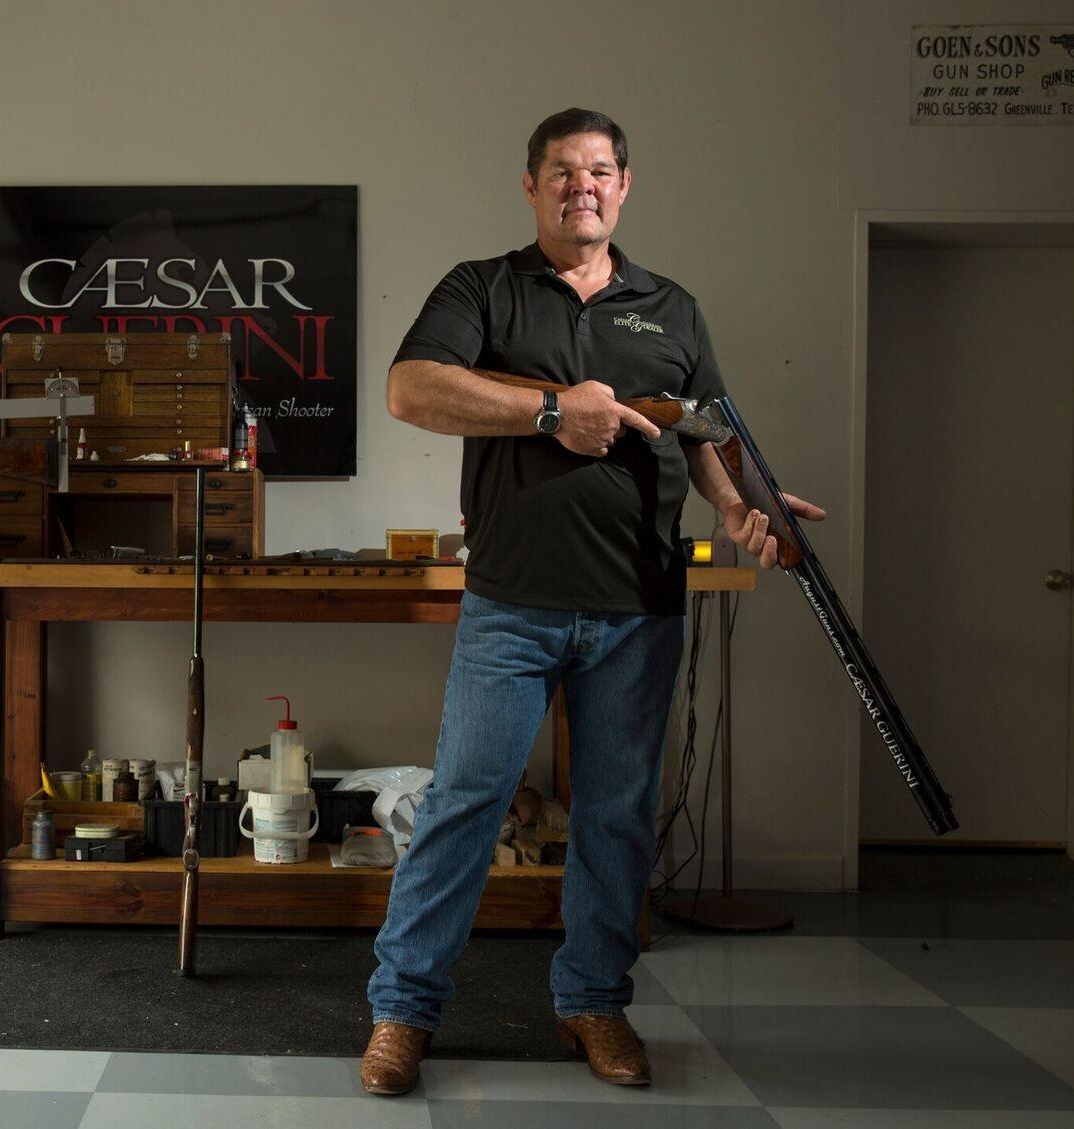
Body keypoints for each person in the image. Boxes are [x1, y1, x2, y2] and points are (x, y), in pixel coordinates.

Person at [360, 108, 825, 1096]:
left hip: (638, 608)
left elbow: (704, 431)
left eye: (602, 170)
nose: (585, 186)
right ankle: (402, 1012)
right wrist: (548, 409)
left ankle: (592, 1003)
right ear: (531, 186)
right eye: (564, 170)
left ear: (625, 187)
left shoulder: (672, 308)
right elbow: (409, 389)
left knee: (616, 815)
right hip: (512, 605)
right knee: (464, 804)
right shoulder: (482, 289)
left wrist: (745, 505)